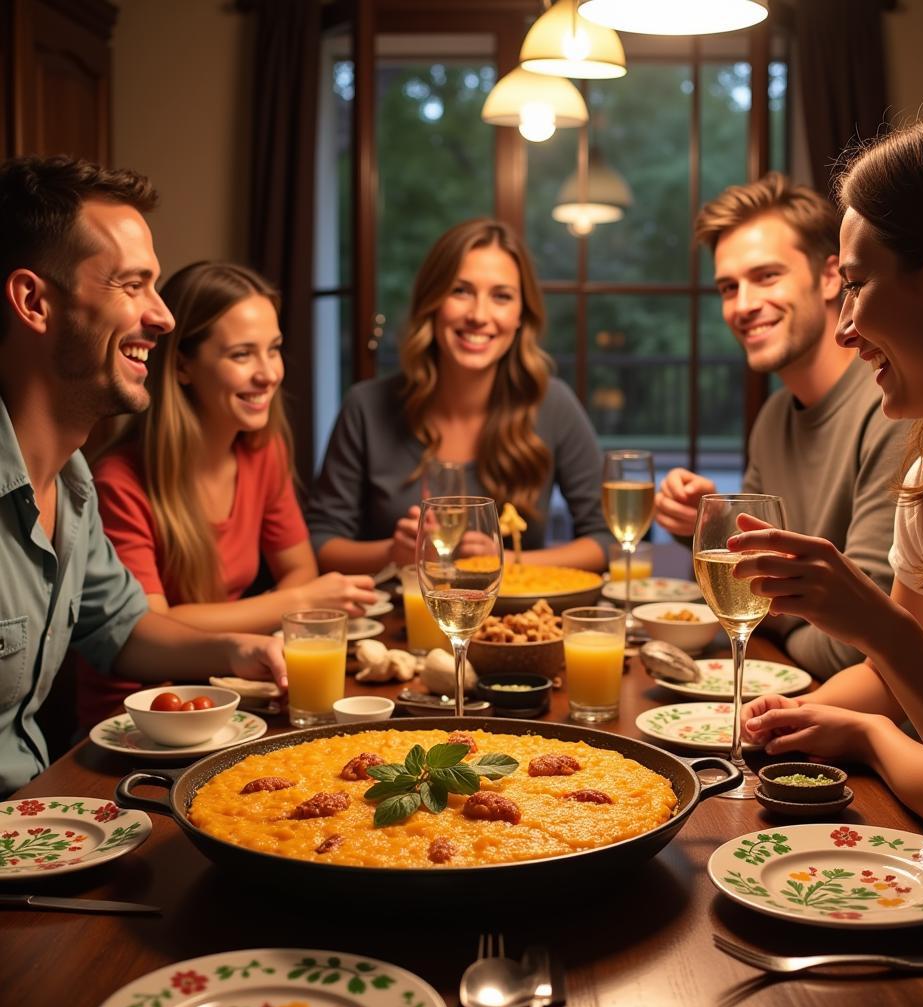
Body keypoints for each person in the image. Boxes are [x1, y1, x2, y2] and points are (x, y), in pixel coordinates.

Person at [733, 105, 923, 853]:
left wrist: (865, 729)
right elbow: (898, 672)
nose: (846, 324)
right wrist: (787, 720)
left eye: (856, 284)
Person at [0, 155, 285, 796]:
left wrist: (238, 648)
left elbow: (121, 628)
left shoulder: (73, 482)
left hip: (34, 816)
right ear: (32, 302)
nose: (164, 317)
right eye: (131, 285)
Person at [76, 262, 377, 727]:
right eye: (242, 355)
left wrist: (274, 605)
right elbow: (152, 626)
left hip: (232, 693)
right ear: (182, 366)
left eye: (273, 350)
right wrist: (293, 603)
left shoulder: (263, 450)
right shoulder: (119, 480)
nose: (269, 374)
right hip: (141, 717)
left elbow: (300, 568)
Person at [654, 174, 909, 680]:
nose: (743, 305)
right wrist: (699, 526)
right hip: (792, 689)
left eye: (766, 276)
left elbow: (863, 645)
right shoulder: (774, 417)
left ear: (831, 276)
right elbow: (739, 582)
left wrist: (771, 623)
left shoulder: (894, 409)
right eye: (729, 287)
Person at [307, 218, 609, 574]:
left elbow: (605, 540)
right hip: (396, 622)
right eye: (460, 291)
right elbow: (320, 541)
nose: (479, 315)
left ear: (520, 316)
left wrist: (505, 561)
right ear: (432, 302)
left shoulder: (553, 404)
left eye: (501, 296)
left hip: (517, 623)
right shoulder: (366, 406)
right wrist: (393, 551)